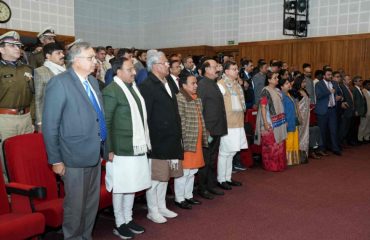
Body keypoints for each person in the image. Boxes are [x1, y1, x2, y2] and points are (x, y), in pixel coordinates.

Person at [42, 42, 108, 239]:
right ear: (76, 60)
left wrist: (104, 147)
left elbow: (99, 117)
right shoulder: (60, 82)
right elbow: (50, 125)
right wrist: (56, 160)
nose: (95, 61)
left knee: (90, 204)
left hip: (94, 153)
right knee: (75, 206)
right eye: (90, 58)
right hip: (72, 156)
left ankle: (85, 236)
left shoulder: (93, 82)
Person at [103, 57, 151, 239]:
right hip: (120, 148)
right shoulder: (111, 91)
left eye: (134, 69)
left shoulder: (133, 89)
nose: (134, 72)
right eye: (130, 69)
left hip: (136, 146)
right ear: (118, 71)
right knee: (121, 186)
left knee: (132, 185)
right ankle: (119, 222)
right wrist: (109, 149)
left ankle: (128, 218)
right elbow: (106, 123)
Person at [139, 50, 183, 224]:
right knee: (156, 177)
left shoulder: (169, 82)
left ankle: (162, 205)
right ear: (155, 66)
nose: (167, 65)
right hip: (157, 139)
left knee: (166, 175)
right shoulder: (147, 86)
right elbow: (146, 116)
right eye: (165, 63)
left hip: (171, 136)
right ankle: (152, 210)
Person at [0, 31, 35, 182]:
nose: (17, 48)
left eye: (19, 45)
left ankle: (28, 186)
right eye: (12, 45)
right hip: (5, 119)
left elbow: (33, 95)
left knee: (27, 154)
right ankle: (10, 191)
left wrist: (32, 118)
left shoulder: (27, 69)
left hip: (26, 118)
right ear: (1, 49)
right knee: (7, 156)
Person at [174, 74, 207, 209]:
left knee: (193, 170)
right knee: (184, 171)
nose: (196, 85)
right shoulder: (180, 98)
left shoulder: (196, 98)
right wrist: (182, 141)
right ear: (184, 85)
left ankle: (188, 195)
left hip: (196, 140)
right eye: (193, 83)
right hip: (187, 140)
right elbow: (180, 122)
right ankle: (179, 198)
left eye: (196, 83)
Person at [197, 59, 227, 199]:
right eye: (215, 67)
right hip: (208, 129)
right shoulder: (202, 84)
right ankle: (202, 189)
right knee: (206, 159)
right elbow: (199, 108)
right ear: (207, 69)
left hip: (217, 127)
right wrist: (204, 128)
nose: (218, 69)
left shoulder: (212, 83)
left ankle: (210, 185)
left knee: (212, 158)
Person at [216, 61, 247, 190]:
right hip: (228, 123)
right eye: (233, 69)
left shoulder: (236, 84)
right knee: (225, 152)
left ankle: (227, 178)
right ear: (226, 71)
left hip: (238, 122)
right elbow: (218, 106)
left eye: (237, 69)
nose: (236, 71)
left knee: (232, 152)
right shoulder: (221, 84)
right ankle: (221, 179)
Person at [255, 72, 287, 172]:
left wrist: (284, 120)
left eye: (277, 77)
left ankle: (279, 165)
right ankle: (271, 166)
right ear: (269, 80)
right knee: (271, 146)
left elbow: (281, 107)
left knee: (279, 144)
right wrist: (265, 122)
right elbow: (263, 107)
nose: (277, 79)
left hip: (279, 122)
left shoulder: (277, 90)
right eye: (275, 78)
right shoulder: (265, 91)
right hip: (269, 121)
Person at [34, 42, 65, 132]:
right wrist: (39, 122)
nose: (62, 55)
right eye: (58, 53)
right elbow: (38, 99)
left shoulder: (65, 71)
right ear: (48, 56)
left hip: (66, 117)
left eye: (62, 52)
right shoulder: (40, 72)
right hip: (50, 118)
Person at [315, 68, 341, 155]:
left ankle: (335, 148)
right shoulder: (319, 84)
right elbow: (318, 96)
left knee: (334, 130)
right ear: (324, 76)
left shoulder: (334, 83)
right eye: (328, 75)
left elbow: (338, 93)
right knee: (322, 130)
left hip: (332, 110)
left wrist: (339, 97)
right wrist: (329, 92)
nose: (330, 76)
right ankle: (322, 148)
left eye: (331, 75)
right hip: (322, 110)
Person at [279, 77, 300, 166]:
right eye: (286, 83)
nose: (289, 84)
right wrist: (284, 121)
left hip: (292, 120)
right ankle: (287, 160)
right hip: (287, 121)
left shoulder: (288, 94)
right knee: (289, 141)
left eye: (289, 83)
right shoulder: (281, 96)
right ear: (281, 87)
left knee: (294, 140)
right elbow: (281, 110)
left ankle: (293, 159)